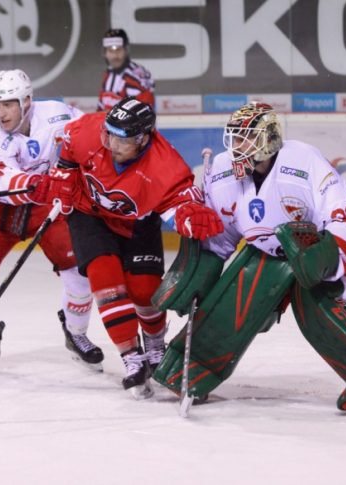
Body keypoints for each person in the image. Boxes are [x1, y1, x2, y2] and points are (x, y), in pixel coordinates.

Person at [151, 103, 346, 413]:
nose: (238, 147)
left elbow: (343, 212)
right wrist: (199, 275)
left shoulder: (302, 160)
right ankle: (192, 370)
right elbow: (221, 236)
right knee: (231, 301)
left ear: (269, 139)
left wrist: (327, 260)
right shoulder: (222, 171)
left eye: (247, 138)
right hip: (267, 249)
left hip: (320, 245)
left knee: (326, 308)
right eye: (235, 138)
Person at [30, 97, 224, 398]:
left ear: (143, 139)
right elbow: (68, 143)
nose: (111, 144)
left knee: (145, 291)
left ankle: (155, 344)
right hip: (89, 215)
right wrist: (64, 172)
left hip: (137, 223)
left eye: (121, 139)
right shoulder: (88, 131)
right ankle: (132, 358)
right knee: (105, 281)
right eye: (108, 134)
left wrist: (189, 213)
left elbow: (179, 201)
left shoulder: (165, 166)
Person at [0, 69, 103, 373]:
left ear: (27, 101)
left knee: (80, 275)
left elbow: (92, 134)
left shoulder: (58, 113)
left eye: (8, 104)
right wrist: (42, 183)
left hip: (49, 207)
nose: (1, 112)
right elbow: (7, 181)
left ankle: (76, 333)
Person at [97, 29, 155, 112]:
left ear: (126, 50)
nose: (115, 56)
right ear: (105, 53)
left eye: (118, 50)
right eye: (110, 50)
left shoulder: (137, 76)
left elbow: (144, 113)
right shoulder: (108, 75)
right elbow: (100, 110)